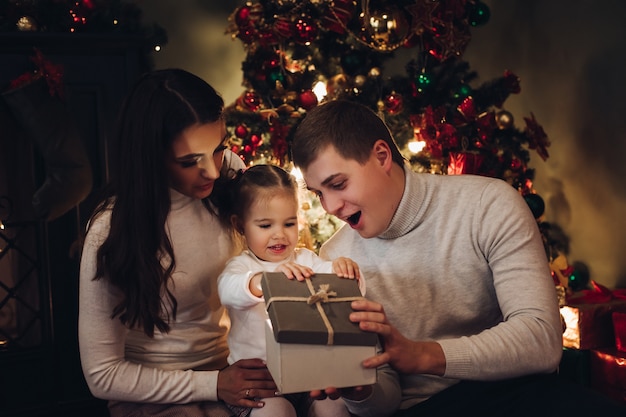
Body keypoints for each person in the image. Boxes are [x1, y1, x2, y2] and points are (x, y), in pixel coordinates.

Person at [291, 100, 626, 417]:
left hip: (514, 392)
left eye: (337, 184)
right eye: (319, 193)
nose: (330, 207)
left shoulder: (488, 205)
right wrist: (358, 388)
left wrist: (423, 355)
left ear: (381, 156)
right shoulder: (335, 257)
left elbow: (540, 338)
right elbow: (385, 402)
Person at [78, 69, 278, 417]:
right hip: (152, 387)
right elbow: (102, 375)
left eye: (217, 149)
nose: (212, 172)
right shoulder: (111, 228)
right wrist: (213, 384)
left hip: (234, 363)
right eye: (189, 161)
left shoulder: (230, 176)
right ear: (151, 157)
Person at [217, 164, 361, 417]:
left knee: (335, 407)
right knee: (276, 412)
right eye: (265, 226)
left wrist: (346, 272)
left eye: (289, 223)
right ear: (239, 226)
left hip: (307, 375)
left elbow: (344, 290)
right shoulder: (242, 267)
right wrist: (259, 282)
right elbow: (227, 290)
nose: (279, 235)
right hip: (260, 383)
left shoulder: (306, 260)